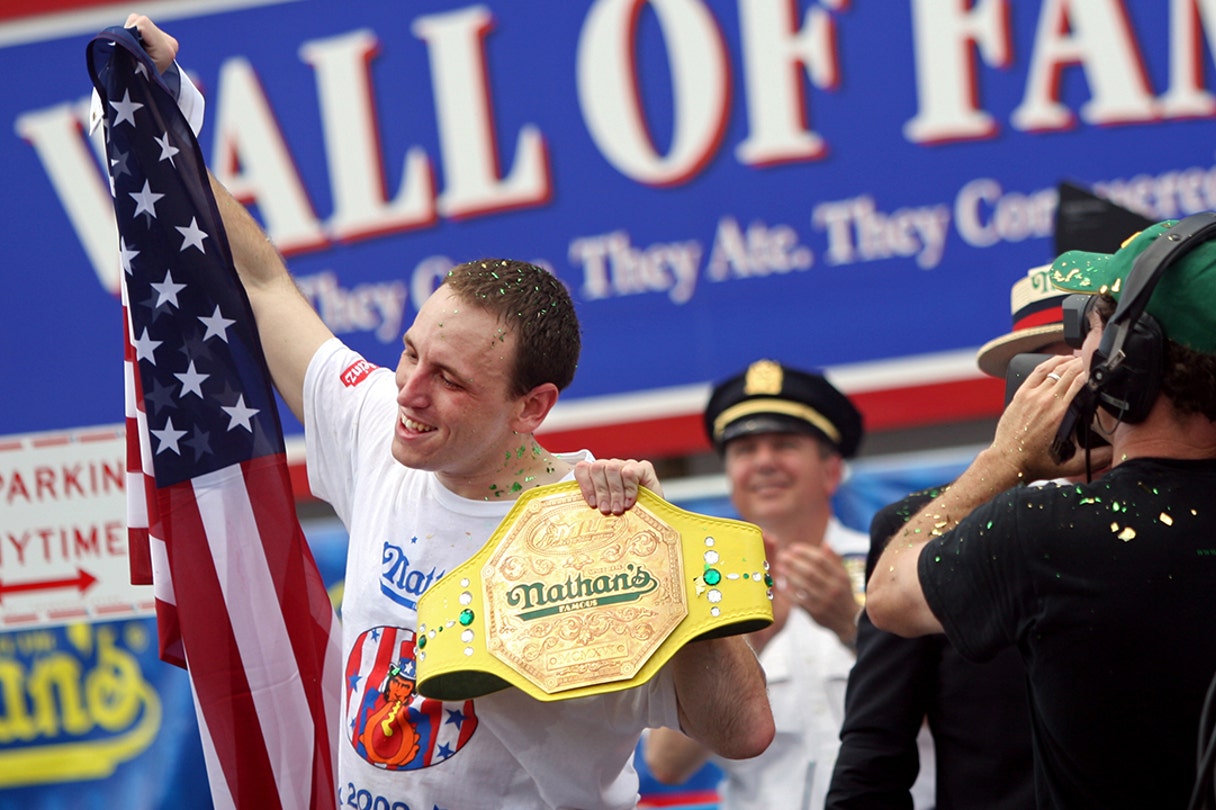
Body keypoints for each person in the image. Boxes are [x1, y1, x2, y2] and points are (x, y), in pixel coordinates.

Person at [124, 15, 773, 810]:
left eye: (451, 380)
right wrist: (169, 115)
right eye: (409, 354)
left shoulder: (602, 526)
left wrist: (676, 557)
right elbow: (263, 287)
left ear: (532, 408)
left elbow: (742, 731)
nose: (409, 390)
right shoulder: (381, 430)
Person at [866, 216, 1216, 808]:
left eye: (1087, 328)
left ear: (1131, 358)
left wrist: (1004, 459)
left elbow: (888, 593)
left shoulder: (1048, 530)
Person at [827, 266, 1072, 809]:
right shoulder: (921, 527)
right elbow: (873, 753)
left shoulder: (1183, 498)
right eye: (1041, 368)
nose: (1070, 385)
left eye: (1087, 358)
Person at [645, 360, 881, 810]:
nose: (764, 462)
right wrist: (751, 635)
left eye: (785, 444)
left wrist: (855, 630)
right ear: (731, 480)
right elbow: (665, 764)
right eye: (745, 450)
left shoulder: (892, 565)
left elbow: (967, 719)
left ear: (831, 470)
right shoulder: (698, 590)